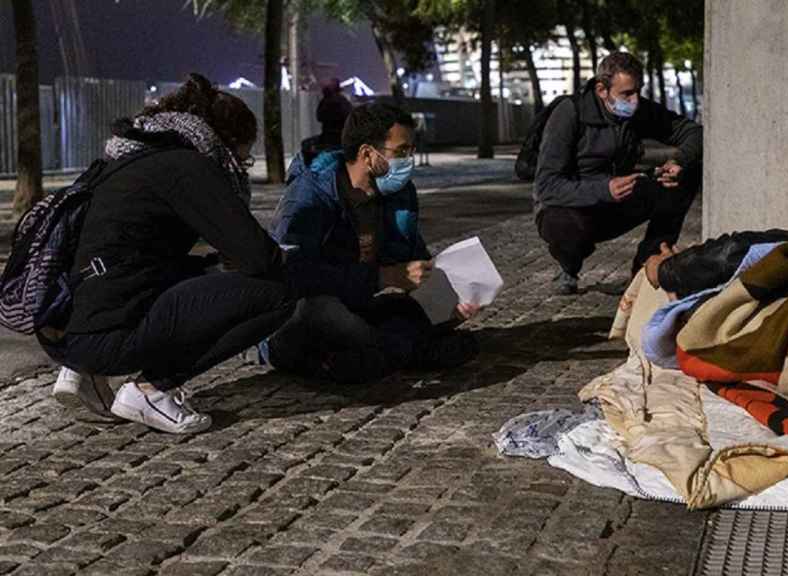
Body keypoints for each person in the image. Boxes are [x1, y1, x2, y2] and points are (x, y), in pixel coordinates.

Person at [43, 73, 299, 434]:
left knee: (207, 274)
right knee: (278, 292)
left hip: (72, 328)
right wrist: (282, 256)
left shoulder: (133, 157)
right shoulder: (189, 166)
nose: (244, 164)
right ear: (229, 140)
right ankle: (151, 390)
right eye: (245, 154)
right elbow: (259, 258)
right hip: (107, 336)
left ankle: (83, 370)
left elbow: (139, 252)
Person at [262, 102, 479, 386]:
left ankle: (378, 354)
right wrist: (382, 277)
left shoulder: (398, 194)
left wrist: (446, 294)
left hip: (362, 303)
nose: (408, 160)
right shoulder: (309, 196)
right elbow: (295, 273)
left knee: (412, 312)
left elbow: (413, 256)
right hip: (310, 310)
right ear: (367, 153)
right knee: (323, 312)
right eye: (401, 152)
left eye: (411, 151)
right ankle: (401, 350)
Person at [534, 51, 703, 294]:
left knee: (686, 175)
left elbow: (693, 132)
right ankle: (569, 266)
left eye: (637, 91)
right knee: (566, 227)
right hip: (568, 208)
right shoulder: (569, 112)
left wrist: (678, 160)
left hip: (618, 201)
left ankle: (645, 268)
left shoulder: (639, 110)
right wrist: (605, 188)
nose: (634, 100)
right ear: (602, 90)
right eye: (626, 94)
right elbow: (546, 187)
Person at [298, 80, 353, 164]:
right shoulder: (344, 102)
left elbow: (319, 117)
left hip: (328, 137)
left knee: (306, 144)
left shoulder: (326, 101)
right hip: (342, 137)